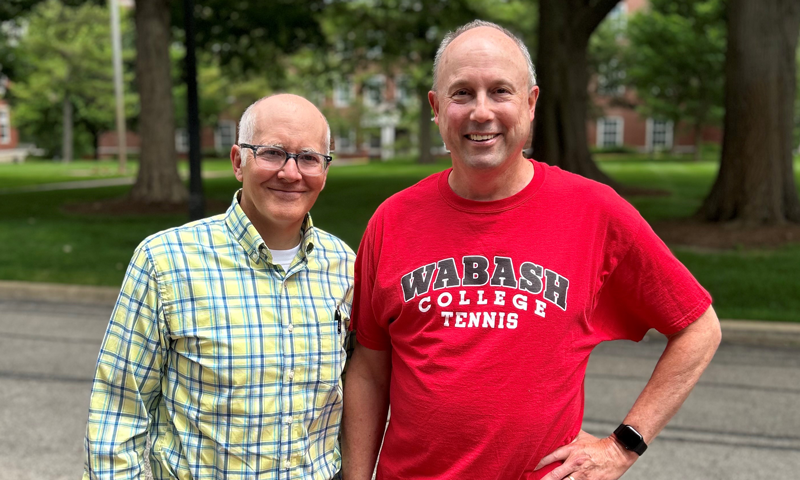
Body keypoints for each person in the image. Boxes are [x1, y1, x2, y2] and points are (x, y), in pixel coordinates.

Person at [342, 20, 722, 480]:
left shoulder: (594, 211)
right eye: (462, 93)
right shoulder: (393, 220)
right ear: (436, 107)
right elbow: (368, 368)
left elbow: (698, 327)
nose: (481, 112)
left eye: (500, 91)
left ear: (531, 102)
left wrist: (622, 446)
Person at [83, 94, 354, 480]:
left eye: (309, 157)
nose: (291, 173)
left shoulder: (345, 268)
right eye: (272, 153)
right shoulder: (165, 262)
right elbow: (116, 412)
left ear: (324, 170)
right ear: (237, 162)